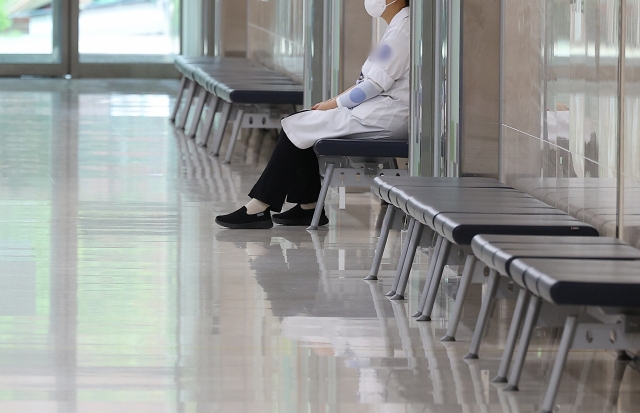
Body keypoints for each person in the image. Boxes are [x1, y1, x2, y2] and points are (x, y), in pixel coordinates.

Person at [216, 0, 411, 229]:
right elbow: (368, 82)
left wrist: (332, 105)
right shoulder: (398, 27)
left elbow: (371, 87)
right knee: (302, 125)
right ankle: (307, 207)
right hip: (377, 111)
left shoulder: (401, 30)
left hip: (384, 116)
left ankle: (260, 207)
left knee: (299, 125)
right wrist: (333, 104)